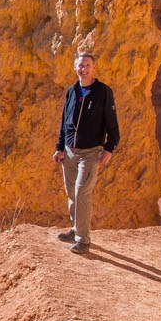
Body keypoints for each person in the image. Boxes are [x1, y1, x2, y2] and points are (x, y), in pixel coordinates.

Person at [52, 52, 118, 254]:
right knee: (71, 192)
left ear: (94, 67)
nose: (84, 69)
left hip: (90, 152)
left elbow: (111, 121)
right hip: (70, 151)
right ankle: (75, 228)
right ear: (75, 67)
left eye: (87, 65)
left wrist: (110, 147)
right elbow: (65, 121)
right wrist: (60, 147)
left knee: (82, 192)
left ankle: (83, 239)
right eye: (81, 65)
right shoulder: (72, 91)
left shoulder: (103, 92)